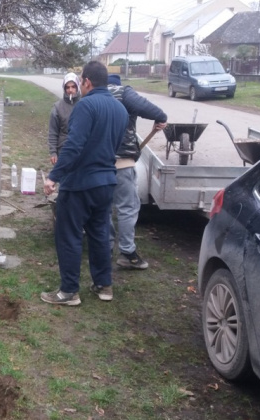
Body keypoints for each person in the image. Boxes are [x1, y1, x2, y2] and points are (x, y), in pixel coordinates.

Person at [41, 61, 128, 305]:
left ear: (87, 82)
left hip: (79, 184)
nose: (78, 85)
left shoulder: (85, 106)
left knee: (68, 234)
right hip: (107, 182)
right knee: (99, 233)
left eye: (80, 81)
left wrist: (54, 176)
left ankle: (68, 291)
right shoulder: (120, 110)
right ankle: (104, 285)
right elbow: (115, 145)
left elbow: (73, 146)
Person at [107, 74, 167, 269]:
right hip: (122, 163)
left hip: (99, 164)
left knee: (104, 209)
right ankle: (127, 252)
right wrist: (161, 118)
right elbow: (151, 109)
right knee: (127, 207)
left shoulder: (93, 96)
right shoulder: (123, 93)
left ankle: (105, 249)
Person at [47, 72, 81, 165]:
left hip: (82, 151)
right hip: (63, 150)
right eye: (68, 87)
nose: (70, 90)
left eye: (73, 87)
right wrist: (53, 152)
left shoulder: (85, 103)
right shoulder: (58, 107)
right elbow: (53, 132)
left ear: (78, 87)